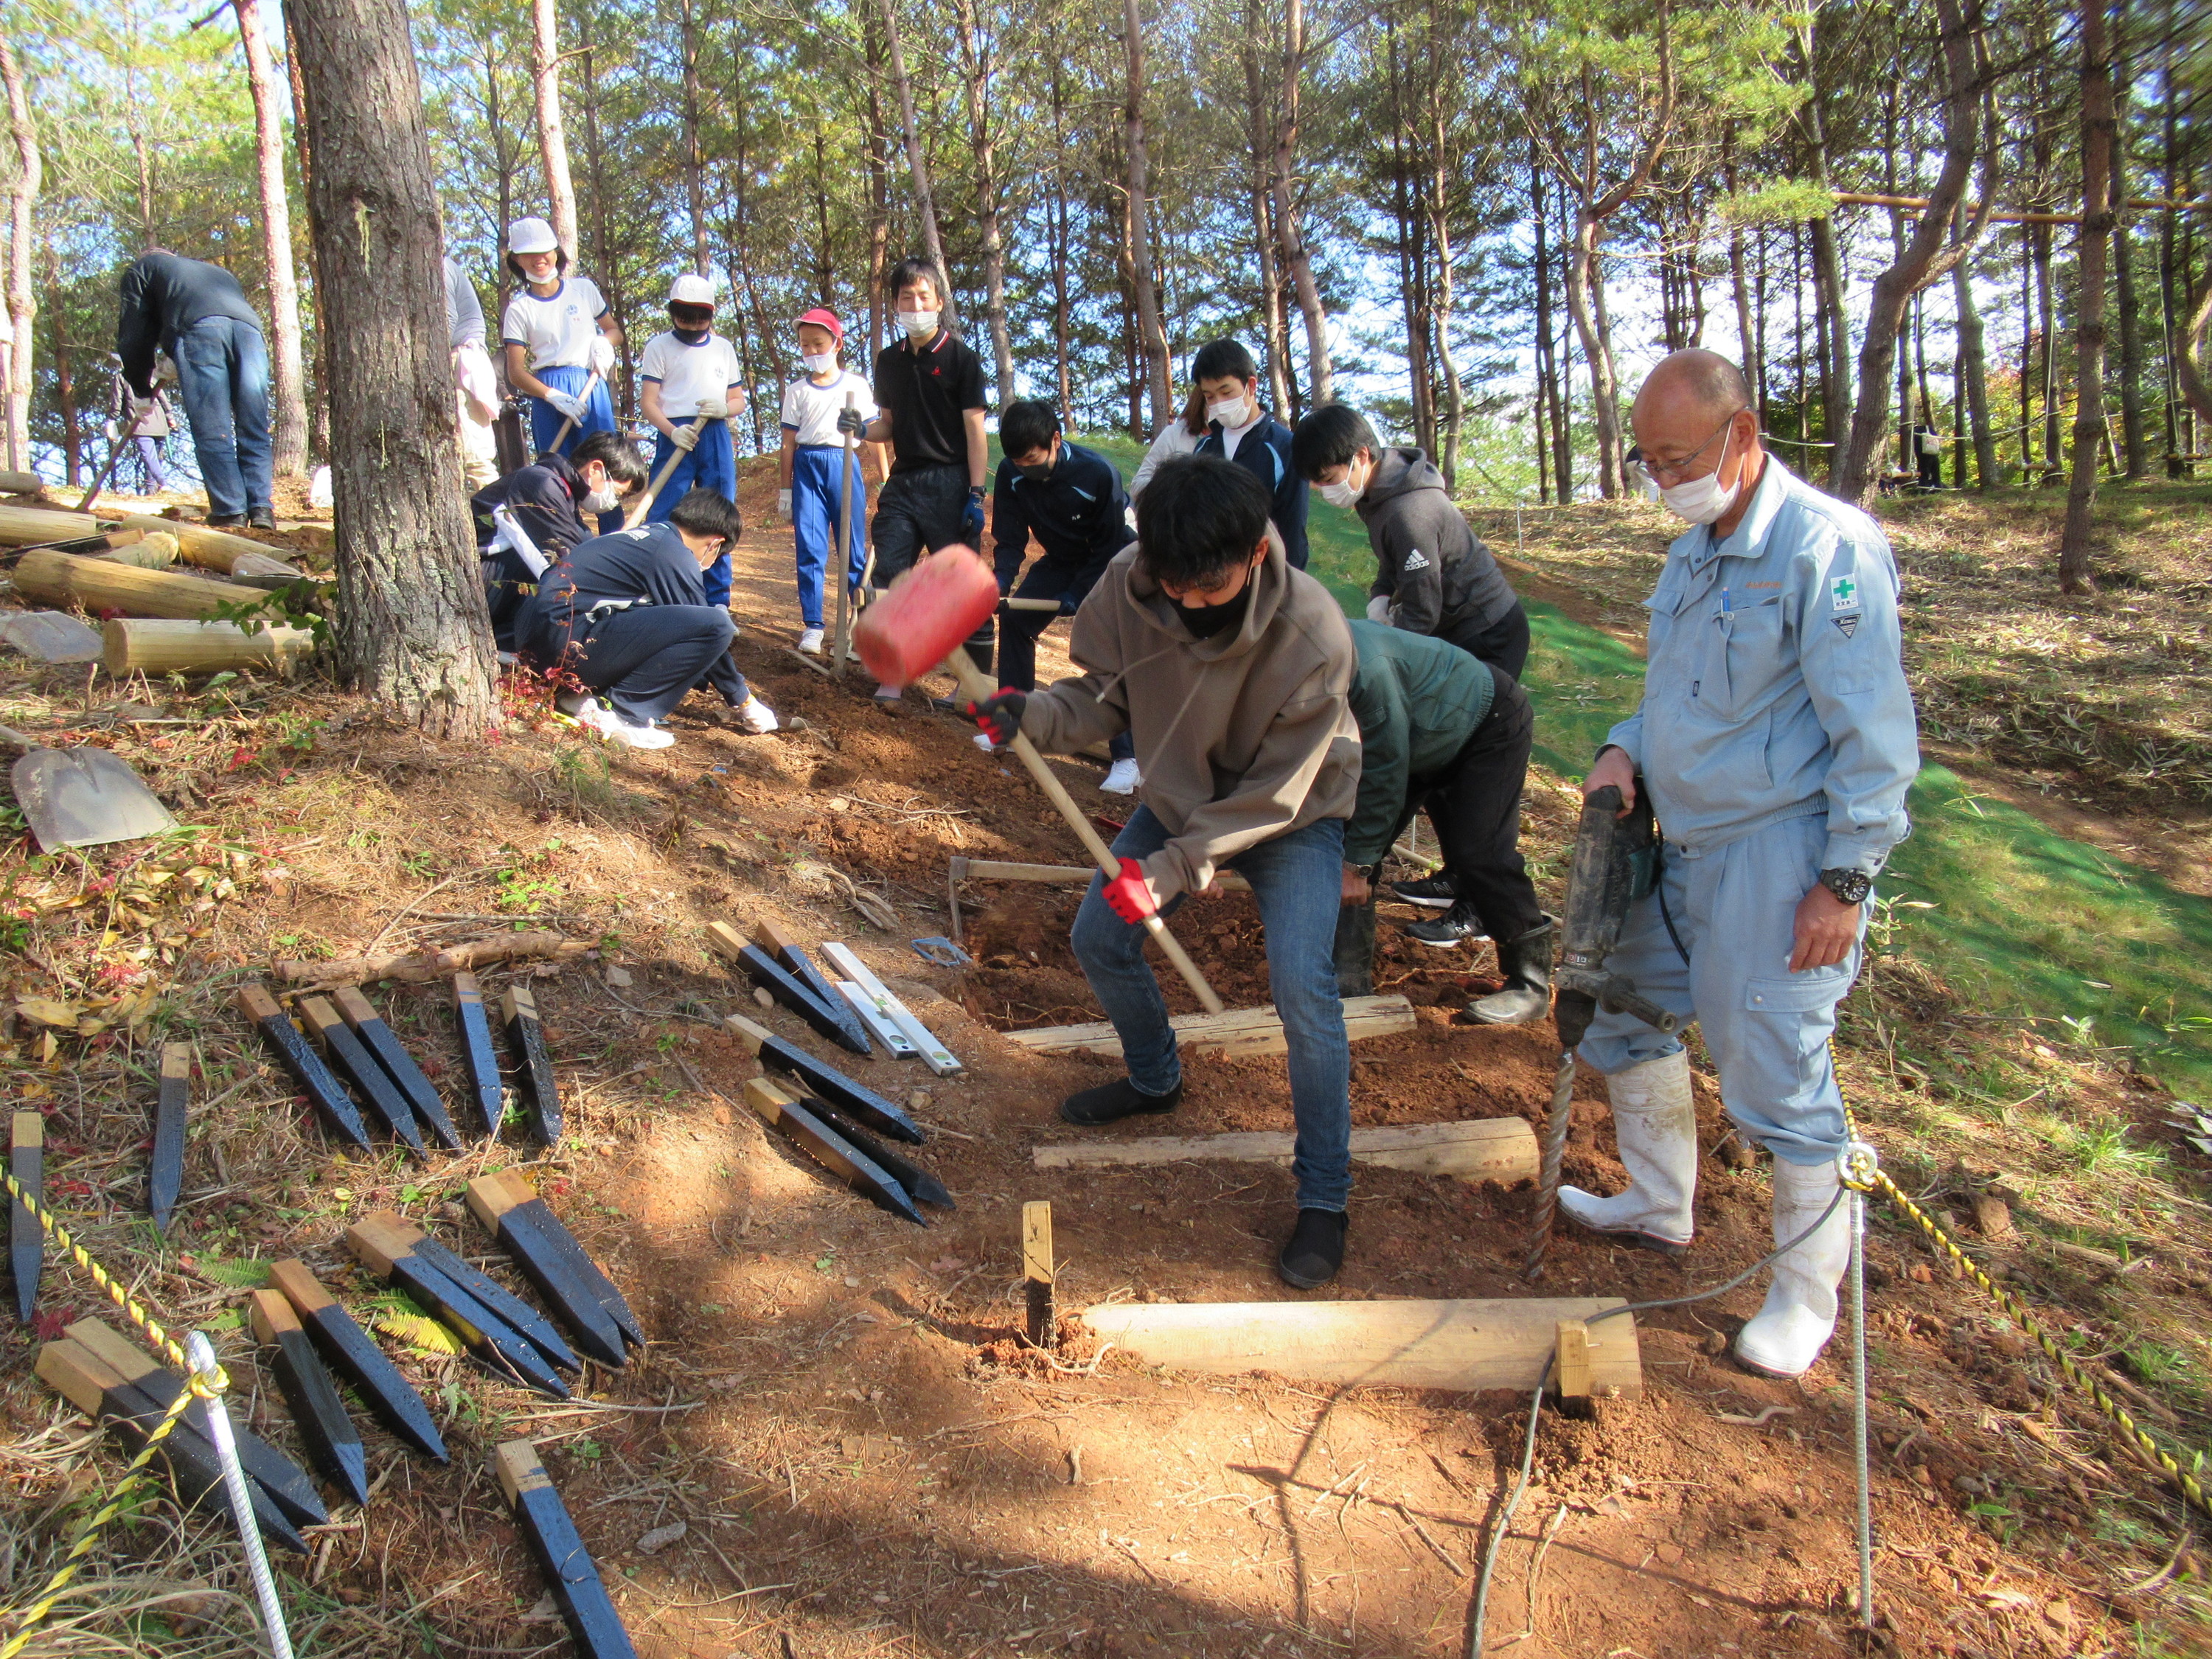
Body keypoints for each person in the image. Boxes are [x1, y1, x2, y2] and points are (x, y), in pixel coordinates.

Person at [1569, 348, 1918, 1381]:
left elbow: (1876, 737)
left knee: (1773, 1069)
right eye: (1647, 459)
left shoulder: (1827, 549)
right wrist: (1625, 744)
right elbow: (1672, 694)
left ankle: (1807, 1297)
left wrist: (1845, 881)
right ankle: (1659, 1200)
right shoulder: (1691, 554)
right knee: (1623, 1009)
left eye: (1677, 455)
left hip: (1778, 854)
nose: (1662, 477)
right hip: (1679, 844)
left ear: (1744, 434)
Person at [961, 456, 1362, 1290]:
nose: (1184, 605)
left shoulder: (1314, 636)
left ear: (1255, 555)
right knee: (1099, 936)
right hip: (1182, 793)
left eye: (1206, 592)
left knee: (1301, 987)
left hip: (1290, 814)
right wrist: (1031, 714)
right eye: (1171, 585)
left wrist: (1177, 869)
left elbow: (1275, 795)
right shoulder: (1132, 580)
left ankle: (1325, 1195)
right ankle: (1155, 1079)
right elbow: (1106, 697)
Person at [1291, 401, 1531, 931]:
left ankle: (1475, 903)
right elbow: (1390, 567)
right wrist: (1380, 599)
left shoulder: (1410, 511)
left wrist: (1384, 643)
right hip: (1447, 632)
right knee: (1433, 767)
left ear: (1360, 457)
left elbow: (1422, 611)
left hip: (1484, 634)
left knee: (1461, 769)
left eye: (1328, 478)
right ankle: (1455, 873)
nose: (1324, 491)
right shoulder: (1377, 496)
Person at [1332, 620, 1548, 1023]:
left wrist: (1357, 863)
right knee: (1354, 840)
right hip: (1419, 736)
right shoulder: (1299, 660)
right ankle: (1349, 977)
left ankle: (1529, 984)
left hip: (1487, 723)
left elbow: (1386, 769)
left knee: (1480, 854)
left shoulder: (1364, 666)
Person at [517, 487, 779, 750]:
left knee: (646, 613)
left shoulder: (645, 538)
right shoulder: (673, 554)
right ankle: (624, 713)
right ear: (715, 544)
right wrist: (744, 700)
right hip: (564, 644)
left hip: (535, 648)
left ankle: (575, 695)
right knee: (718, 625)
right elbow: (704, 628)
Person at [848, 257, 990, 698]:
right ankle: (893, 675)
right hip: (904, 482)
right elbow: (887, 424)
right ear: (894, 304)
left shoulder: (962, 360)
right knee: (889, 572)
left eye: (923, 296)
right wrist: (860, 429)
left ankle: (974, 687)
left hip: (950, 482)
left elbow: (974, 429)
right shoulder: (888, 360)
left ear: (939, 302)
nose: (915, 304)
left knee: (960, 586)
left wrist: (976, 491)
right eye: (906, 297)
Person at [987, 400, 1139, 785]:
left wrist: (1078, 592)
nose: (1024, 467)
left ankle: (1128, 757)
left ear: (1056, 440)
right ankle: (1013, 721)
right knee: (1016, 619)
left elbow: (1109, 545)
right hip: (1062, 557)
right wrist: (1001, 581)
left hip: (1115, 559)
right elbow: (1009, 536)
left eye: (1032, 458)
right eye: (1017, 461)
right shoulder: (1011, 472)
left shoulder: (1098, 473)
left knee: (1111, 645)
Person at [114, 248, 274, 528]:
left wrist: (140, 387)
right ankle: (261, 509)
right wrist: (174, 351)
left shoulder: (143, 268)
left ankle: (230, 510)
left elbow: (134, 333)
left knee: (213, 425)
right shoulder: (216, 272)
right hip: (251, 333)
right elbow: (218, 314)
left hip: (199, 331)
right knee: (254, 424)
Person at [473, 431, 650, 655]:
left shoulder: (565, 498)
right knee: (555, 569)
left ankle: (510, 645)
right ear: (595, 469)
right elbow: (570, 564)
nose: (615, 503)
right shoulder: (539, 484)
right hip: (474, 586)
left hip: (490, 587)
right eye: (617, 494)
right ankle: (509, 644)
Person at [638, 273, 747, 608]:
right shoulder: (659, 347)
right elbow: (648, 402)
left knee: (719, 513)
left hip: (714, 432)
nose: (693, 321)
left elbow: (739, 401)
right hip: (675, 435)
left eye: (701, 314)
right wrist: (671, 431)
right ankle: (656, 593)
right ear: (673, 311)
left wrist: (724, 409)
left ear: (711, 313)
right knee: (664, 510)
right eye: (685, 313)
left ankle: (717, 600)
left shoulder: (723, 348)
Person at [777, 307, 877, 655]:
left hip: (843, 462)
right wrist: (786, 488)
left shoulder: (857, 386)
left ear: (837, 343)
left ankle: (856, 626)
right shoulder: (797, 391)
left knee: (851, 548)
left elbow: (875, 433)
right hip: (808, 465)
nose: (812, 352)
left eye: (818, 344)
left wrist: (886, 478)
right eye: (805, 346)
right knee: (811, 546)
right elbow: (788, 442)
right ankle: (814, 626)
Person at [499, 217, 621, 459]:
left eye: (544, 251)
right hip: (549, 392)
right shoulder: (519, 309)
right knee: (558, 469)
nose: (538, 259)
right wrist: (552, 395)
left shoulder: (583, 290)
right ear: (516, 259)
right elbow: (516, 372)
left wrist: (603, 343)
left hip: (590, 382)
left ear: (556, 252)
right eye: (529, 253)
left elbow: (615, 332)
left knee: (603, 462)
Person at [1184, 340, 1307, 572]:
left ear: (1251, 386)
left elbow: (1293, 527)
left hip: (1265, 574)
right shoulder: (1205, 449)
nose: (1219, 404)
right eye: (1209, 396)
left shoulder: (1284, 447)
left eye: (1226, 392)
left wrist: (1288, 588)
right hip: (1211, 576)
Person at [445, 255, 500, 490]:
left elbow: (446, 320)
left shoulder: (440, 266)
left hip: (462, 360)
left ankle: (496, 524)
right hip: (458, 358)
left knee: (476, 455)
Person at [105, 352, 174, 495]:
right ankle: (152, 491)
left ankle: (163, 483)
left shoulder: (121, 377)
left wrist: (112, 420)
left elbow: (116, 402)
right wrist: (170, 417)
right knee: (154, 457)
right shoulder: (150, 375)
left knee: (150, 457)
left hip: (140, 422)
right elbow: (163, 398)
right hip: (159, 422)